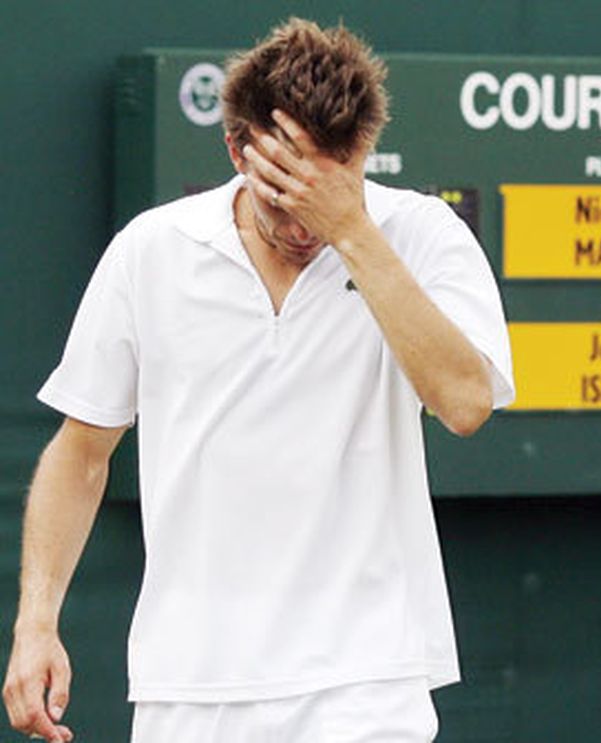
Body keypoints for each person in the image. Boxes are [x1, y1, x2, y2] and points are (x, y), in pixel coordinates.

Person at [2, 18, 514, 743]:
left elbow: (466, 402)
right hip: (187, 688)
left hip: (366, 683)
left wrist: (352, 231)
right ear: (235, 149)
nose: (303, 219)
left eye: (330, 182)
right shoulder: (151, 251)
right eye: (282, 189)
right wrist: (35, 622)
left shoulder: (423, 235)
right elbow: (83, 451)